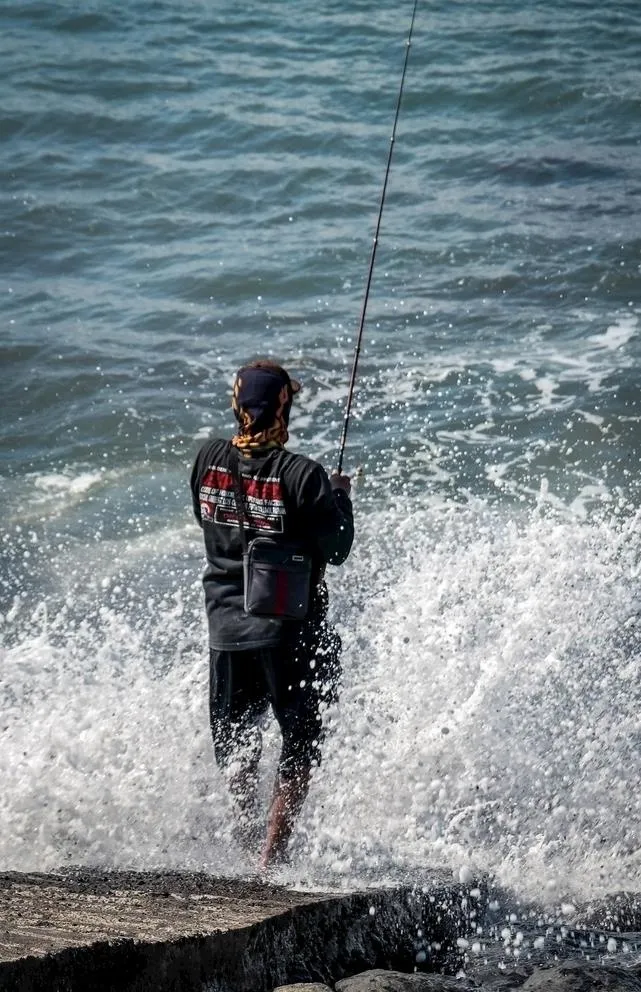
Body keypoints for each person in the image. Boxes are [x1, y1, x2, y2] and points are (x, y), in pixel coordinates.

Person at [190, 359, 354, 869]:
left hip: (225, 628)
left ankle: (243, 843)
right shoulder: (304, 476)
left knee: (237, 743)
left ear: (238, 404)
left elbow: (208, 520)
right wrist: (341, 498)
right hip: (289, 630)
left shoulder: (206, 460)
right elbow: (338, 547)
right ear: (283, 405)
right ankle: (270, 858)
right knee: (300, 740)